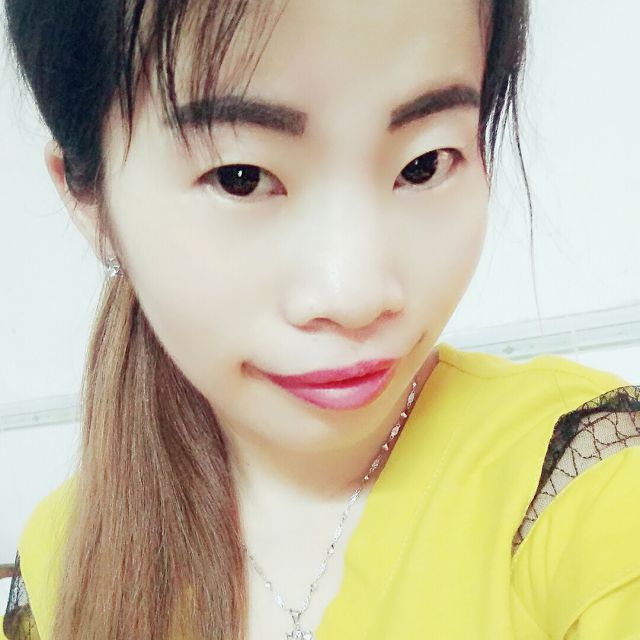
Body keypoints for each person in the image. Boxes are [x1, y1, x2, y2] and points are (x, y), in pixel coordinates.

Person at [1, 0, 639, 638]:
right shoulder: (62, 562)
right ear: (89, 199)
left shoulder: (586, 485)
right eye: (241, 177)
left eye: (424, 164)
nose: (353, 296)